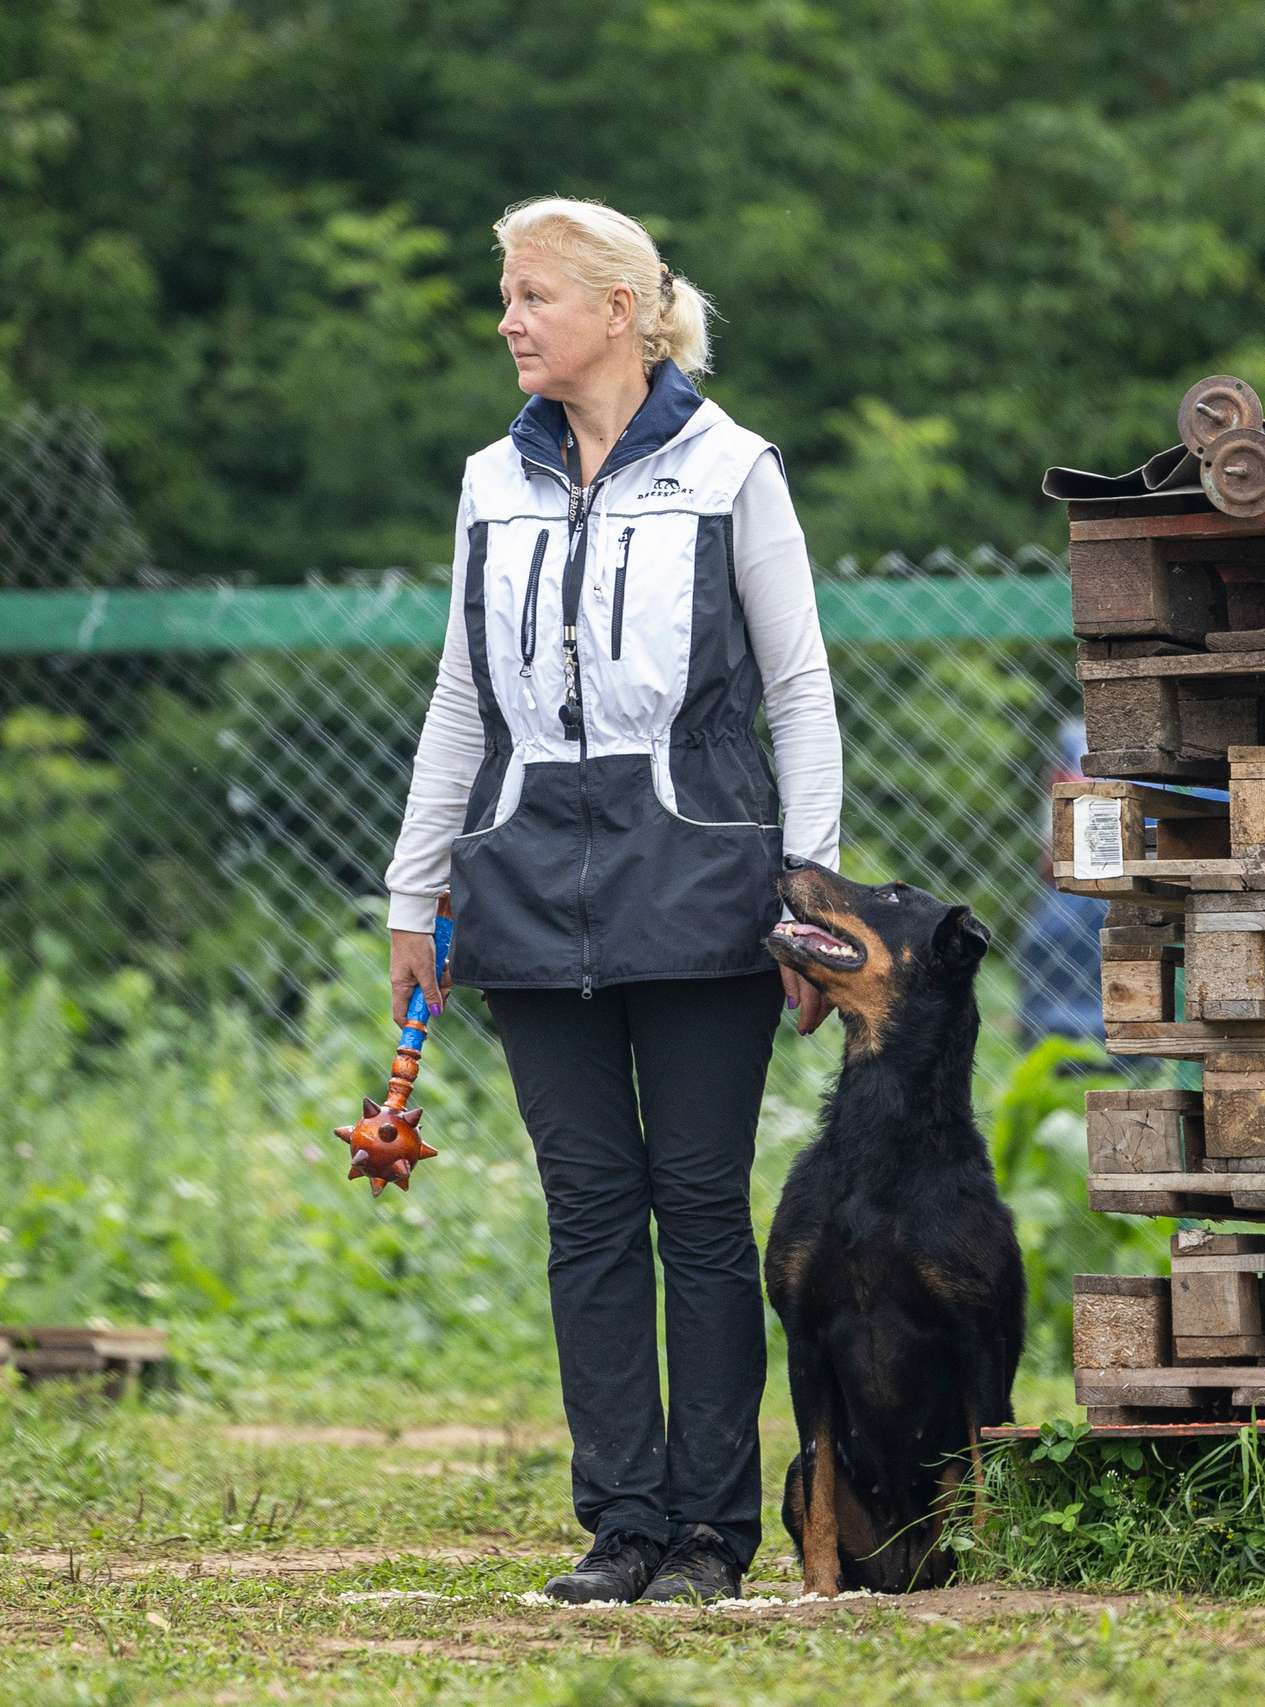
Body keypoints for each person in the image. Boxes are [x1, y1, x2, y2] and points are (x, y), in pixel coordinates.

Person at [383, 197, 842, 1605]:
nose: (509, 319)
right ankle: (621, 1522)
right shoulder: (487, 480)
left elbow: (801, 691)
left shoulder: (732, 467)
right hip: (524, 881)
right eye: (506, 295)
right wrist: (416, 886)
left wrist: (807, 891)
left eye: (533, 295)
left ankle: (709, 1534)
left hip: (703, 873)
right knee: (586, 1204)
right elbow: (465, 694)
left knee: (697, 1201)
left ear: (624, 310)